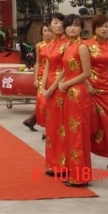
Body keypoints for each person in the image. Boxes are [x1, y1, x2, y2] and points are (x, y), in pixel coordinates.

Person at [58, 14, 92, 186]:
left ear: (81, 29)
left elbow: (86, 73)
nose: (72, 28)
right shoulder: (68, 45)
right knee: (71, 134)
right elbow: (67, 69)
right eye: (69, 25)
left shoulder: (82, 47)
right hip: (69, 93)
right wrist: (61, 83)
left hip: (78, 94)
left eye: (76, 25)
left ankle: (80, 177)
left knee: (78, 134)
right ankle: (75, 173)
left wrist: (66, 84)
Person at [40, 12, 68, 177]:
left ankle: (63, 165)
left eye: (61, 22)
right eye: (55, 22)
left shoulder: (68, 44)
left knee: (62, 126)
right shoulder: (49, 45)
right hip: (49, 87)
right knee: (51, 127)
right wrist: (43, 87)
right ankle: (52, 163)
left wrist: (52, 88)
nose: (58, 25)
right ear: (49, 26)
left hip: (62, 87)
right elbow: (47, 67)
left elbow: (66, 69)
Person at [85, 13, 108, 162]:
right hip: (91, 89)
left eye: (107, 26)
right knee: (91, 124)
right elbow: (80, 68)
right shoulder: (86, 45)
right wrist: (87, 85)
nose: (104, 29)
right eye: (101, 26)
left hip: (106, 88)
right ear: (94, 28)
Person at [23, 23, 52, 132]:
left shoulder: (56, 45)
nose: (48, 33)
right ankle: (41, 125)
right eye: (45, 31)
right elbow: (37, 63)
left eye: (49, 30)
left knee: (49, 101)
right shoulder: (39, 46)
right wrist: (35, 78)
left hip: (53, 75)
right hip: (41, 76)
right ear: (42, 33)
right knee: (43, 101)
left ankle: (32, 121)